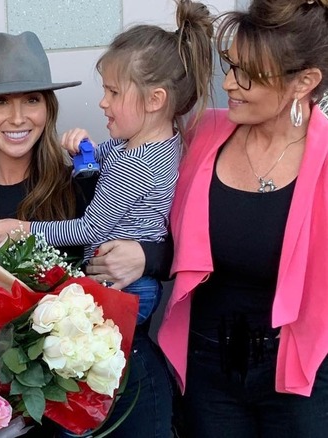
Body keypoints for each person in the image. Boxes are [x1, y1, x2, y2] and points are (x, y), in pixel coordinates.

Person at [0, 19, 213, 436]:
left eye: (31, 99)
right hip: (1, 396)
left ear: (48, 107)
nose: (17, 116)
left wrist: (148, 255)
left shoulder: (76, 179)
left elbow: (158, 235)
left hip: (107, 377)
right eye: (0, 101)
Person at [157, 0, 328, 435]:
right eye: (231, 66)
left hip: (299, 376)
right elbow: (154, 224)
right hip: (206, 372)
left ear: (304, 82)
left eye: (248, 74)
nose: (230, 83)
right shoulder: (202, 136)